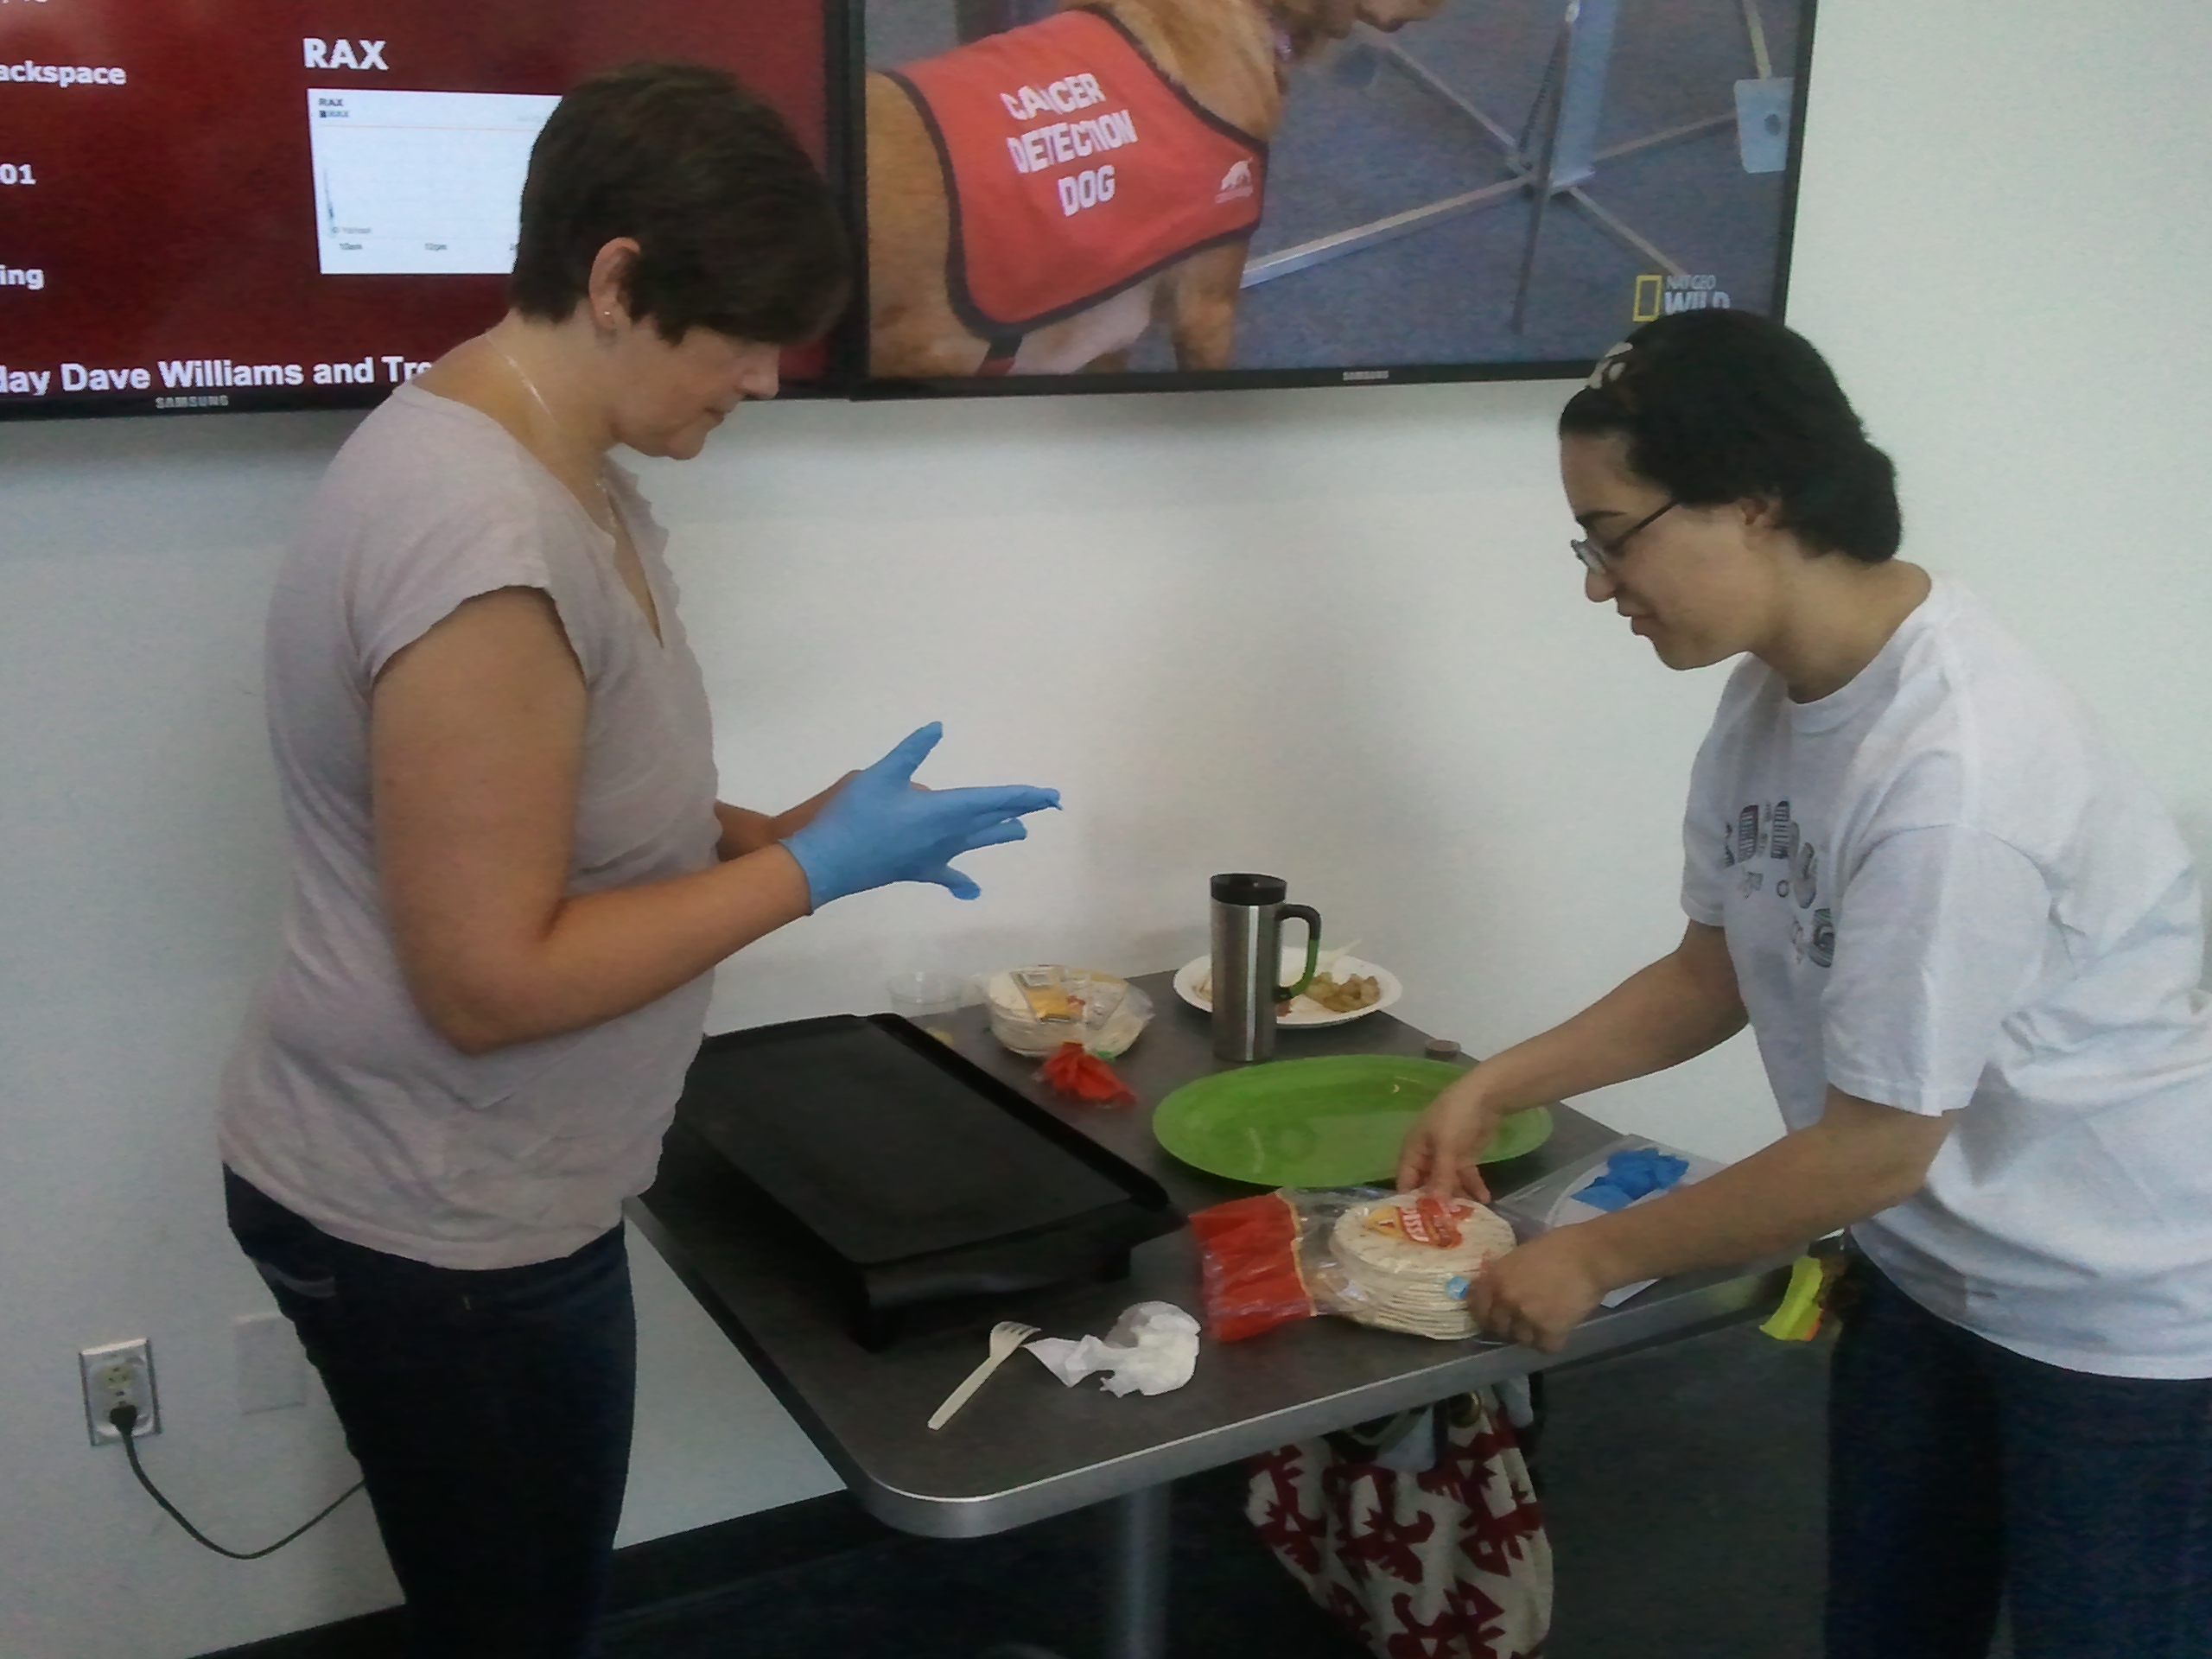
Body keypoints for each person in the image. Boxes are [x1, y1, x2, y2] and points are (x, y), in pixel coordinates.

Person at [218, 62, 1058, 1659]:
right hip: (440, 1218)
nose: (764, 381)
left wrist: (783, 833)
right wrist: (809, 877)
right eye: (741, 338)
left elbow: (571, 804)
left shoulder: (557, 467)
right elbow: (486, 981)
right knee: (518, 1623)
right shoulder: (482, 543)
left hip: (488, 1187)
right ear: (617, 281)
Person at [1396, 309, 2212, 1659]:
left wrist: (1593, 1255)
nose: (1600, 584)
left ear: (1756, 500)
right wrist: (1497, 1082)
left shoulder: (1956, 775)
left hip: (2112, 1306)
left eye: (1613, 536)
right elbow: (1715, 966)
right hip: (1926, 1265)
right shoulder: (1777, 696)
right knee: (1887, 1626)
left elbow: (1874, 1147)